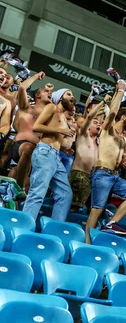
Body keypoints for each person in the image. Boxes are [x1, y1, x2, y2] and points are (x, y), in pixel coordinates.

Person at [85, 82, 126, 243]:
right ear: (123, 117)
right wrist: (120, 91)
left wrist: (123, 162)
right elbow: (113, 112)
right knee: (96, 211)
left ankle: (112, 223)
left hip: (115, 175)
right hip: (101, 173)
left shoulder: (123, 139)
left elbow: (119, 158)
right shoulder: (107, 128)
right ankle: (86, 244)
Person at [22, 88, 76, 221]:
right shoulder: (52, 107)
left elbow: (56, 137)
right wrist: (60, 130)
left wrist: (64, 148)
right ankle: (24, 225)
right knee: (38, 192)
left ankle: (54, 228)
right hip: (45, 152)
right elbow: (37, 126)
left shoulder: (63, 117)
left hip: (56, 156)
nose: (72, 97)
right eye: (68, 94)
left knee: (65, 194)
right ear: (59, 97)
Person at [9, 71, 49, 191]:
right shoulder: (27, 108)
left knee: (29, 185)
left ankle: (19, 199)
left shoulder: (49, 117)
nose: (50, 93)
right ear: (37, 95)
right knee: (28, 148)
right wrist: (36, 76)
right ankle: (18, 187)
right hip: (20, 146)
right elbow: (22, 88)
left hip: (36, 153)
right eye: (46, 92)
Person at [69, 99, 106, 212]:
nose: (98, 124)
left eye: (99, 123)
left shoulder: (99, 142)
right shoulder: (83, 135)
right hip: (79, 175)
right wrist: (103, 101)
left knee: (90, 210)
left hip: (92, 178)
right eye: (95, 123)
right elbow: (89, 117)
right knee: (73, 207)